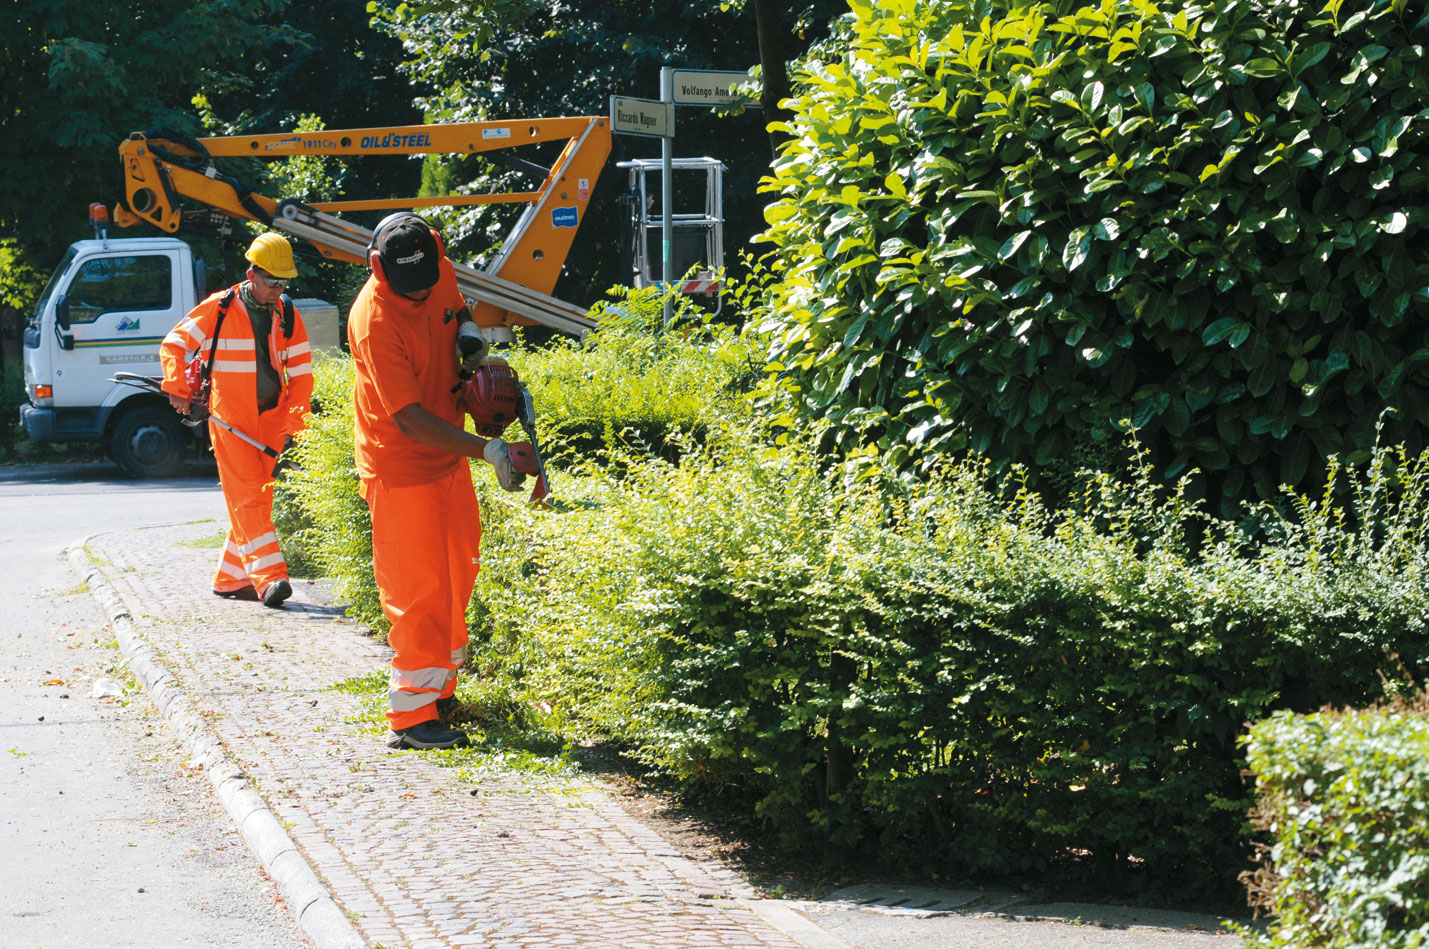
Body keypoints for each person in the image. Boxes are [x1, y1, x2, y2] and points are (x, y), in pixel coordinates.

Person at [347, 212, 526, 750]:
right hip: (399, 468)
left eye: (429, 279)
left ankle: (440, 689)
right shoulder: (373, 320)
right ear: (378, 269)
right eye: (411, 288)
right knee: (417, 592)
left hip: (447, 462)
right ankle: (411, 715)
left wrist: (469, 331)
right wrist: (488, 449)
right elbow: (409, 418)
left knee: (457, 575)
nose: (423, 292)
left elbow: (454, 301)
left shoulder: (433, 266)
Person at [160, 232, 314, 608]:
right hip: (231, 420)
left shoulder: (287, 313)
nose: (278, 288)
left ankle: (230, 578)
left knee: (259, 500)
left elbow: (303, 375)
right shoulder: (220, 307)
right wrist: (178, 388)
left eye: (284, 282)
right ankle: (271, 579)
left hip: (273, 420)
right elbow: (174, 345)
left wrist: (295, 426)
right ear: (252, 274)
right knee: (247, 498)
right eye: (271, 281)